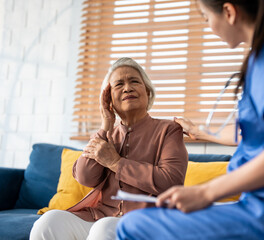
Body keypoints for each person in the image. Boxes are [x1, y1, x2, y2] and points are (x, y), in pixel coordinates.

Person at [116, 0, 264, 239]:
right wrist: (201, 133)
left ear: (229, 12)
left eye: (206, 18)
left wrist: (205, 192)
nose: (209, 27)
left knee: (132, 226)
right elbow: (255, 133)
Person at [30, 57, 188, 240]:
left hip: (147, 221)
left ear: (148, 91)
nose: (127, 88)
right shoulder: (106, 134)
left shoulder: (168, 129)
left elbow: (171, 181)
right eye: (119, 84)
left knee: (104, 229)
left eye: (134, 81)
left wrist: (115, 162)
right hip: (100, 217)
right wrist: (106, 124)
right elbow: (85, 177)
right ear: (108, 98)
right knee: (49, 221)